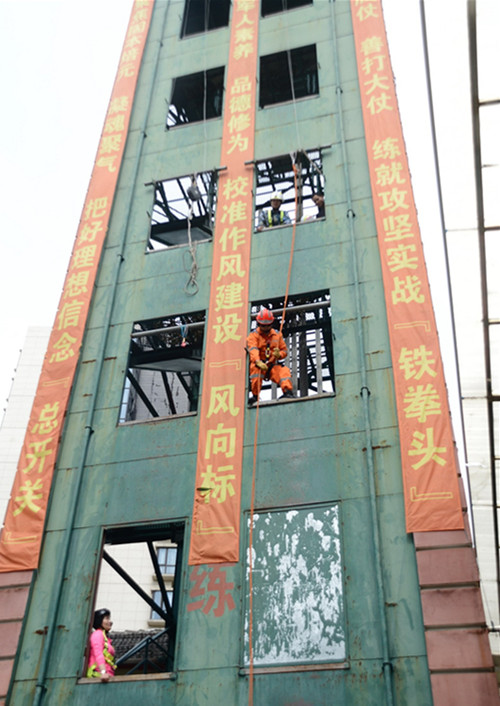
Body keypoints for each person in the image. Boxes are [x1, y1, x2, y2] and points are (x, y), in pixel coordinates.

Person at [247, 308, 294, 403]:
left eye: (268, 325)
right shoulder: (253, 336)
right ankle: (255, 396)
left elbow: (284, 351)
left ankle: (287, 392)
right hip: (259, 364)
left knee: (283, 371)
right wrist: (258, 361)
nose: (266, 328)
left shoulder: (277, 335)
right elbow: (253, 349)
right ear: (259, 324)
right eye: (263, 326)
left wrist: (279, 355)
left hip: (272, 364)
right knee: (255, 371)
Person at [87, 608, 116, 681]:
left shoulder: (105, 638)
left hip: (107, 676)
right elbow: (98, 653)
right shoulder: (98, 634)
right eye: (107, 618)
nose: (110, 622)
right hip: (99, 677)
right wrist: (103, 672)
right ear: (99, 620)